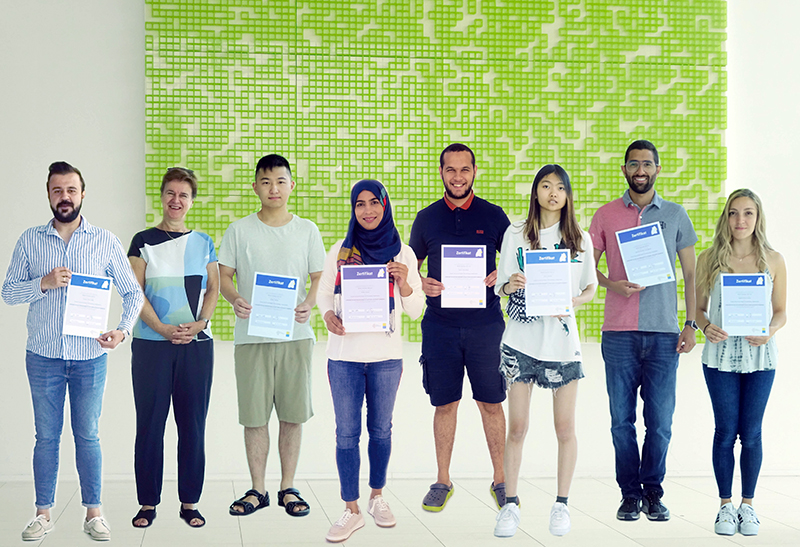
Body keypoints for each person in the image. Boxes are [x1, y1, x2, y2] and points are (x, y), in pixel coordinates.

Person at [2, 162, 144, 542]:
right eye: (57, 190)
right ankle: (43, 513)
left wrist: (123, 330)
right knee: (45, 436)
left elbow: (133, 292)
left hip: (89, 358)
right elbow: (8, 292)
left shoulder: (105, 241)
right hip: (43, 355)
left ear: (83, 194)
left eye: (71, 190)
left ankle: (93, 513)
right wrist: (43, 283)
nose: (64, 197)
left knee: (88, 435)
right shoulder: (30, 241)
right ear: (48, 195)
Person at [589, 140, 698, 522]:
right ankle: (629, 494)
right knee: (621, 421)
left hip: (665, 333)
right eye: (633, 163)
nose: (640, 169)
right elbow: (587, 268)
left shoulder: (675, 215)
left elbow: (690, 273)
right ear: (624, 169)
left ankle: (653, 491)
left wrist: (691, 323)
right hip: (618, 333)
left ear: (657, 169)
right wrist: (611, 284)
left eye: (647, 164)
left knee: (661, 422)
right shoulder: (604, 216)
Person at [219, 154, 325, 518]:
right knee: (254, 416)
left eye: (280, 181)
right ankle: (257, 489)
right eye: (265, 182)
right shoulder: (239, 230)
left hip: (295, 336)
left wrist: (309, 304)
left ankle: (288, 487)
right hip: (252, 337)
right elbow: (225, 276)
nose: (273, 188)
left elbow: (318, 277)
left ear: (291, 185)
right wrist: (235, 299)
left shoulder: (307, 230)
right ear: (255, 187)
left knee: (293, 415)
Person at [493, 165, 596, 537]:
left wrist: (572, 301)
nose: (553, 192)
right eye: (545, 185)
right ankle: (509, 506)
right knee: (517, 427)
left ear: (568, 195)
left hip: (562, 344)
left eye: (560, 187)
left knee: (564, 427)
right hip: (521, 342)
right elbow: (499, 287)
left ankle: (561, 505)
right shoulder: (516, 233)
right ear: (535, 192)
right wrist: (511, 284)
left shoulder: (579, 238)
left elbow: (590, 289)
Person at [319, 179, 424, 542]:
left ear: (385, 205)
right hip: (344, 358)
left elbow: (415, 311)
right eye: (359, 204)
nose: (366, 211)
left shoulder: (404, 254)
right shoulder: (340, 251)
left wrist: (407, 284)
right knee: (346, 435)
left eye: (373, 203)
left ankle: (377, 497)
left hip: (386, 359)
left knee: (381, 431)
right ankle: (351, 509)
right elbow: (323, 297)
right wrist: (329, 317)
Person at [409, 143, 511, 512]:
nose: (457, 177)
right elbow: (408, 265)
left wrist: (504, 271)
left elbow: (518, 256)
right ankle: (442, 480)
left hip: (486, 326)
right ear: (441, 172)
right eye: (450, 170)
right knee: (445, 403)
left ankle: (502, 480)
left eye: (464, 169)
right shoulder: (426, 218)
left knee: (491, 403)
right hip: (440, 327)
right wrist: (421, 281)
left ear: (474, 171)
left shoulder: (494, 215)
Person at [127, 167, 219, 529]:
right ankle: (147, 503)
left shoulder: (204, 242)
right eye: (170, 193)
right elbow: (135, 291)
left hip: (195, 346)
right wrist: (163, 329)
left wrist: (201, 324)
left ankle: (189, 503)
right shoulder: (142, 240)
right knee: (150, 425)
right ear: (161, 196)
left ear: (191, 201)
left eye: (183, 195)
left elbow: (212, 289)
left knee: (192, 426)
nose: (176, 200)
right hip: (152, 345)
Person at [695, 189, 786, 536]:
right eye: (734, 213)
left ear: (758, 217)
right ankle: (724, 508)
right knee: (724, 432)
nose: (740, 221)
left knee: (751, 434)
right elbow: (699, 309)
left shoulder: (774, 260)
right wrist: (705, 326)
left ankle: (748, 506)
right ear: (726, 217)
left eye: (748, 213)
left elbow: (781, 312)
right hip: (719, 357)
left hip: (761, 357)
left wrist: (771, 331)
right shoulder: (709, 258)